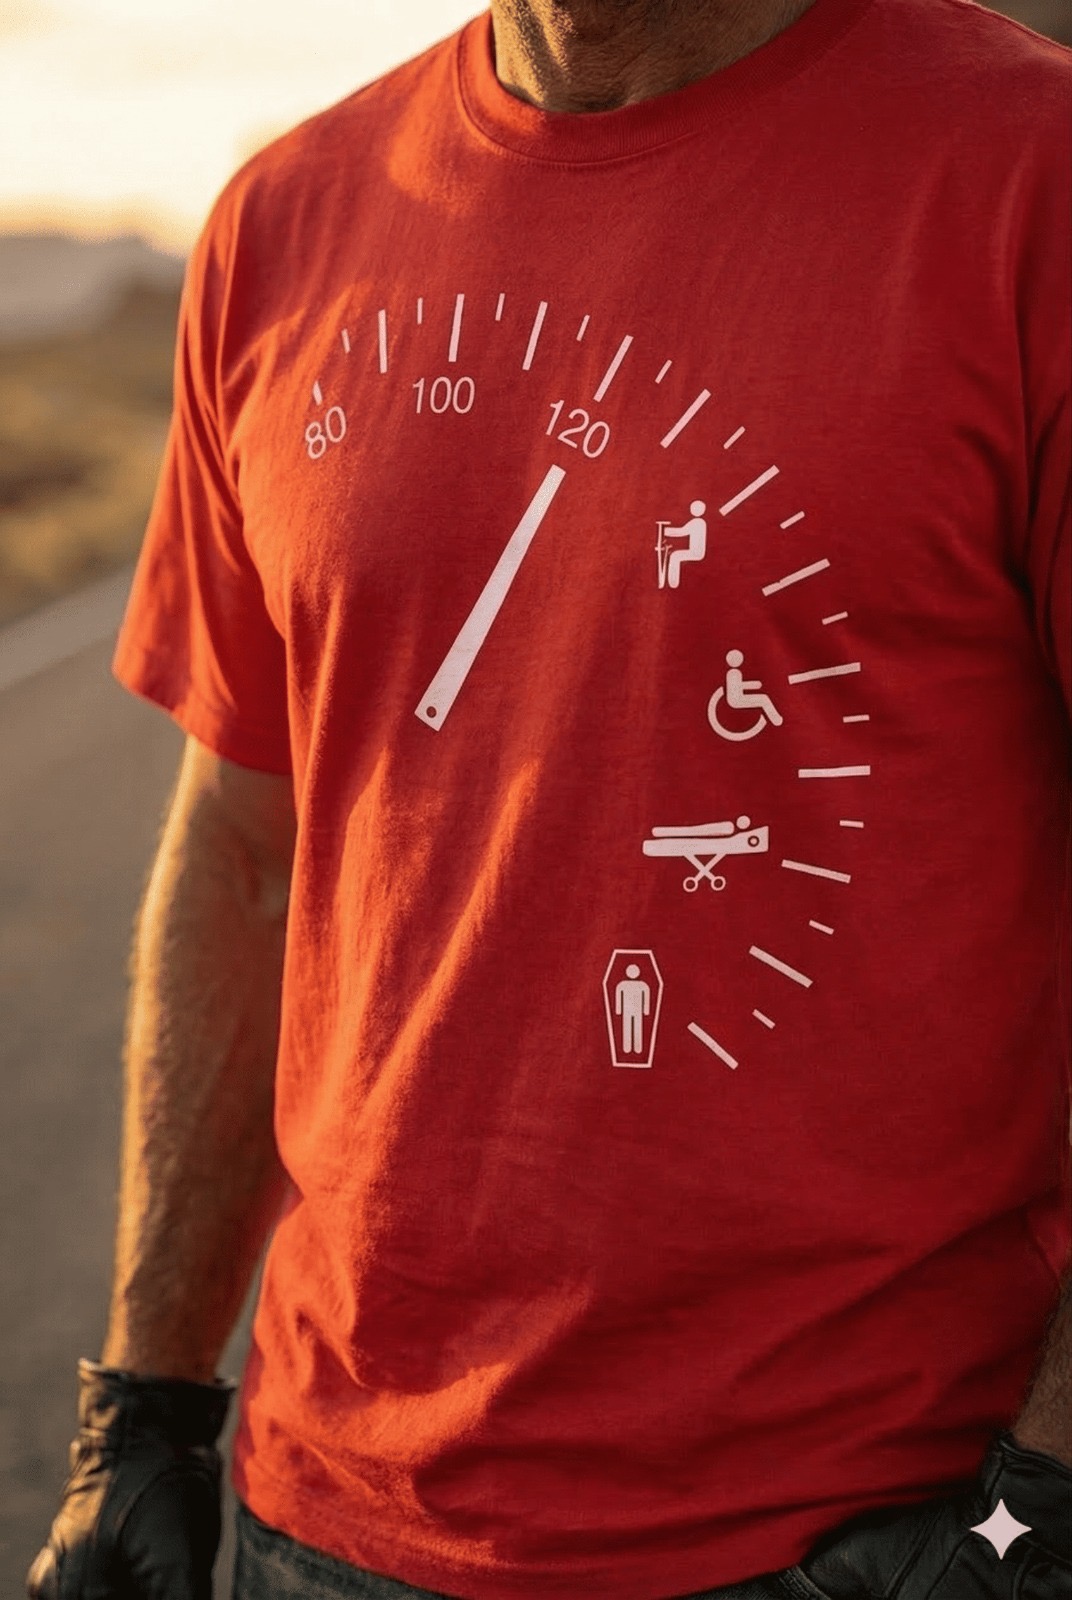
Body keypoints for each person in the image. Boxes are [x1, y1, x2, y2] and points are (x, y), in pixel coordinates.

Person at [27, 0, 1071, 1596]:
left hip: (867, 1532)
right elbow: (243, 852)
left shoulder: (1028, 180)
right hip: (318, 1524)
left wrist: (1038, 1511)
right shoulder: (283, 223)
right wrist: (144, 1410)